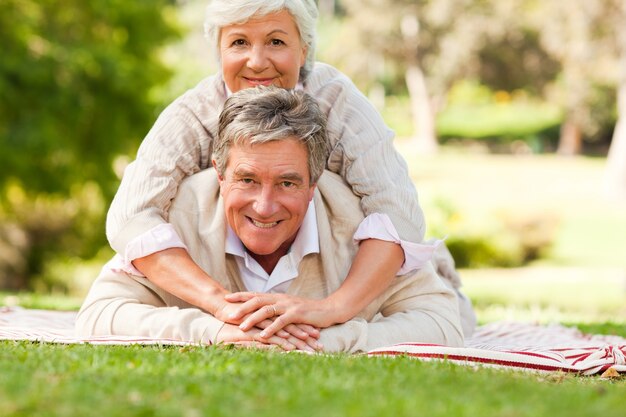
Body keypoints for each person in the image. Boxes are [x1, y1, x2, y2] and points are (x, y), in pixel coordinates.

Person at [106, 0, 475, 339]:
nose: (256, 61)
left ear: (305, 49)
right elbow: (130, 218)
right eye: (238, 43)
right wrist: (220, 303)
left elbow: (400, 216)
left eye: (276, 42)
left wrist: (331, 310)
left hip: (338, 266)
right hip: (230, 266)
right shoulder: (192, 115)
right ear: (219, 51)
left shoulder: (339, 104)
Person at [77, 86, 464, 352]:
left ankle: (441, 262)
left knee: (451, 291)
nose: (264, 206)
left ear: (314, 184)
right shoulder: (178, 214)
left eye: (287, 183)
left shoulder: (357, 221)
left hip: (427, 280)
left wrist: (326, 339)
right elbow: (98, 314)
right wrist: (215, 331)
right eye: (247, 179)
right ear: (220, 174)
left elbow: (445, 325)